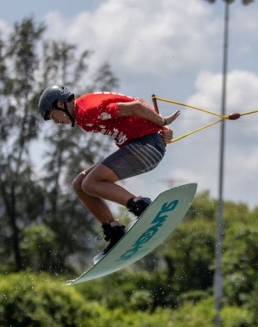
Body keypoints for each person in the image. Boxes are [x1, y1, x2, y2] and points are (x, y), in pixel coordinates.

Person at [38, 85, 180, 261]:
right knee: (80, 184)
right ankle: (114, 230)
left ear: (60, 103)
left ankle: (140, 206)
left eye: (53, 116)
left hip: (146, 147)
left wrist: (161, 123)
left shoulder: (86, 110)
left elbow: (135, 107)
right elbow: (137, 101)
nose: (56, 122)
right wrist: (159, 129)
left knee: (90, 183)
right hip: (143, 145)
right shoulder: (82, 109)